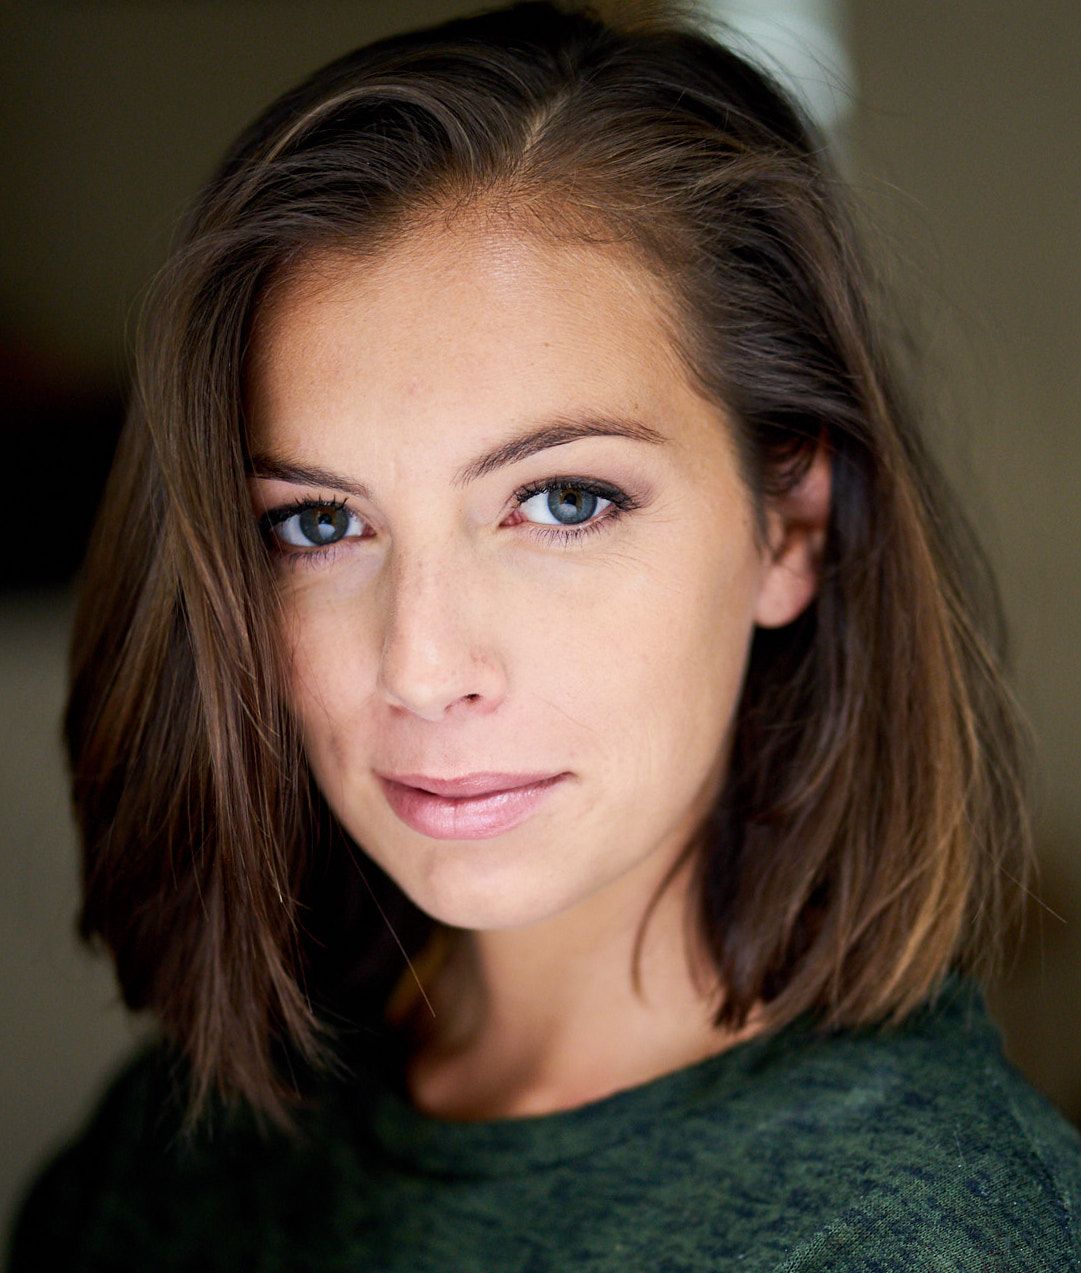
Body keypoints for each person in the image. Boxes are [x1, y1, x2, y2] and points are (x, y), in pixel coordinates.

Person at [8, 1, 1081, 1268]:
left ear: (789, 525)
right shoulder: (183, 1148)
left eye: (564, 501)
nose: (421, 666)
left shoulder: (918, 1231)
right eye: (318, 523)